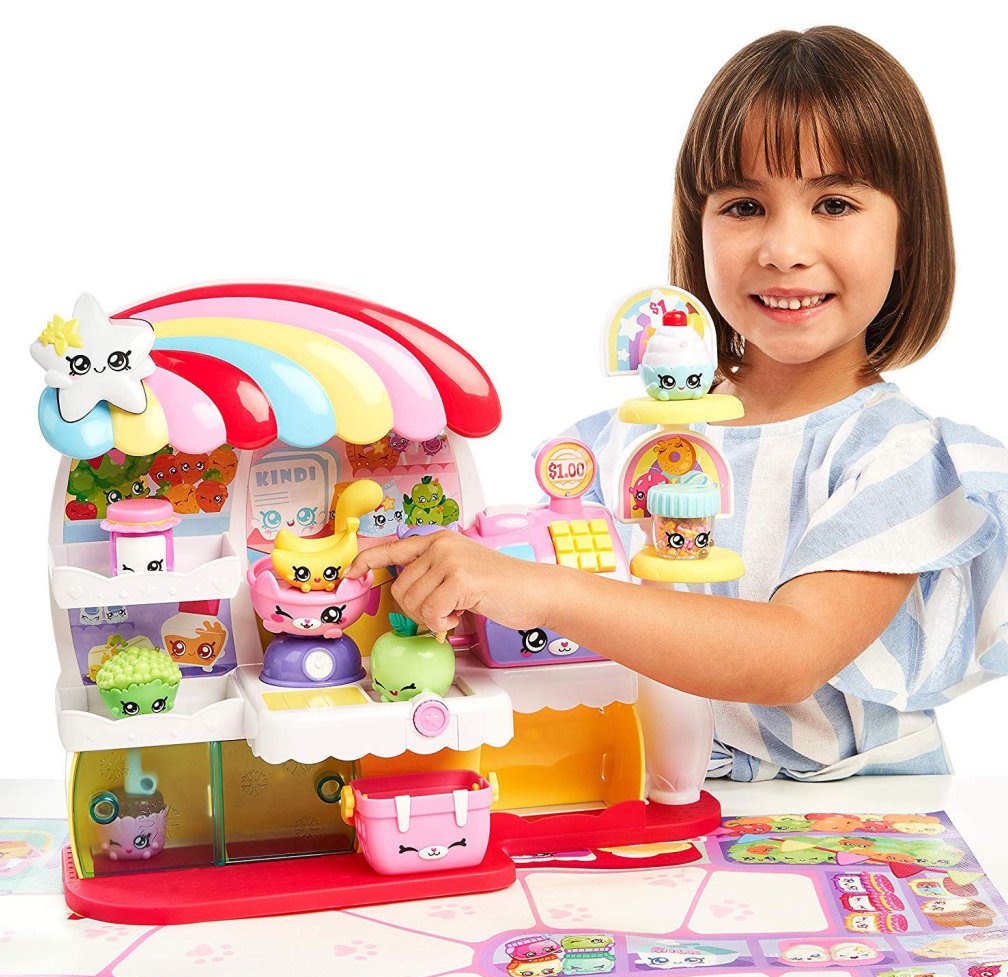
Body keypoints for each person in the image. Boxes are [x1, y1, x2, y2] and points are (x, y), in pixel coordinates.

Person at [346, 26, 1008, 782]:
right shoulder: (619, 447)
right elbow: (565, 635)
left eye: (833, 202)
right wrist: (456, 588)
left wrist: (541, 590)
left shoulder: (899, 456)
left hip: (850, 819)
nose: (784, 250)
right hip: (662, 797)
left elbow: (790, 655)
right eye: (743, 206)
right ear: (698, 227)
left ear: (909, 234)